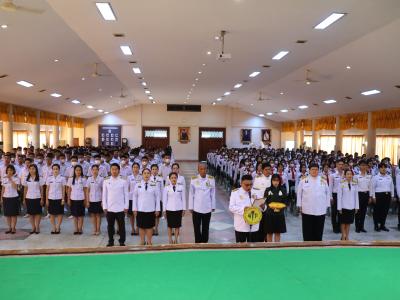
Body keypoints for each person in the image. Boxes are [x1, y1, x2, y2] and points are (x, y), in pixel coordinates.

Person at [297, 163, 330, 241]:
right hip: (307, 210)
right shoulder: (303, 180)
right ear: (309, 170)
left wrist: (327, 206)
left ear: (319, 170)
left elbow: (328, 193)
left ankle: (318, 247)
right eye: (313, 169)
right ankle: (307, 247)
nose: (314, 171)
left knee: (318, 231)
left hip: (320, 210)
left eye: (316, 169)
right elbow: (299, 194)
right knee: (307, 231)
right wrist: (299, 206)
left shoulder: (323, 180)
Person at [102, 163, 129, 247]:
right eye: (112, 169)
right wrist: (105, 206)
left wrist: (126, 206)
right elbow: (104, 195)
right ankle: (110, 241)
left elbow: (126, 194)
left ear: (119, 170)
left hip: (120, 207)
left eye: (116, 169)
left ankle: (122, 241)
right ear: (110, 170)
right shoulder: (106, 180)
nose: (114, 171)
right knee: (110, 226)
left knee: (121, 226)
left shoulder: (123, 180)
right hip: (110, 207)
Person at [188, 162, 216, 243]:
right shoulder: (194, 179)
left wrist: (213, 206)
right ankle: (197, 243)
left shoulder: (211, 179)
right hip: (196, 208)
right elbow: (191, 193)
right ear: (198, 170)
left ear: (206, 169)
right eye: (201, 169)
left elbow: (213, 193)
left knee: (205, 227)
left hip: (207, 207)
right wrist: (191, 207)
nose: (203, 171)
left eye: (204, 169)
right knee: (196, 227)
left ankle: (205, 243)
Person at [133, 168, 161, 245]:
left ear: (150, 174)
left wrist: (157, 209)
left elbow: (157, 197)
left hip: (151, 209)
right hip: (140, 209)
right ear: (142, 175)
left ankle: (149, 241)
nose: (146, 175)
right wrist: (134, 209)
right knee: (141, 226)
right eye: (144, 173)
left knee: (150, 227)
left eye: (148, 173)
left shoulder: (154, 184)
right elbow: (134, 197)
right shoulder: (138, 184)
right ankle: (142, 241)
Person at [229, 174, 259, 243]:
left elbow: (262, 207)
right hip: (241, 225)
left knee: (253, 248)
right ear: (241, 183)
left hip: (254, 225)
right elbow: (231, 207)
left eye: (251, 184)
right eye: (246, 185)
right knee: (240, 248)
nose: (249, 187)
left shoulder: (256, 192)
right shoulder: (235, 193)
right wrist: (244, 209)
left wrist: (263, 207)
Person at [263, 174, 288, 242]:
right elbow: (265, 201)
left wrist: (281, 208)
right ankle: (269, 247)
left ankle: (277, 247)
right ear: (271, 181)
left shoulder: (283, 190)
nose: (275, 182)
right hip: (269, 214)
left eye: (277, 180)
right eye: (274, 180)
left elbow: (285, 202)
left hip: (279, 214)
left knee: (277, 232)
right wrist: (270, 207)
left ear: (280, 181)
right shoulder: (268, 190)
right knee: (269, 232)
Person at [163, 172, 186, 244]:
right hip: (169, 209)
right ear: (169, 179)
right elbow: (164, 200)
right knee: (169, 226)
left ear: (177, 179)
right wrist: (164, 210)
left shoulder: (181, 187)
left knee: (177, 225)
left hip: (178, 209)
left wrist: (184, 209)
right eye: (172, 178)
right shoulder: (166, 188)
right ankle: (170, 239)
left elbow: (183, 199)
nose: (173, 179)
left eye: (175, 178)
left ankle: (176, 239)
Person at [371, 163, 394, 232]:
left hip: (387, 196)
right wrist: (373, 197)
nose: (383, 169)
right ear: (379, 168)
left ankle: (382, 225)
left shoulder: (389, 177)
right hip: (378, 196)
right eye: (382, 167)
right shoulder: (375, 177)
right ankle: (376, 226)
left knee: (385, 211)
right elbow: (372, 188)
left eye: (385, 167)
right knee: (377, 212)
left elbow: (392, 187)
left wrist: (392, 195)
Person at [337, 169, 359, 240]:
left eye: (350, 174)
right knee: (343, 222)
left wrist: (356, 207)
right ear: (345, 175)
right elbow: (339, 196)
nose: (349, 175)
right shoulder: (341, 183)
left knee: (349, 222)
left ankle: (347, 235)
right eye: (348, 174)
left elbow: (356, 196)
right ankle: (343, 235)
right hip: (343, 206)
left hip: (351, 206)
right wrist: (339, 208)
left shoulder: (355, 183)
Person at [22, 164, 44, 234]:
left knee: (38, 213)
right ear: (29, 170)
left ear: (36, 170)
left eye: (33, 169)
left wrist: (42, 198)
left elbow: (41, 189)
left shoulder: (39, 178)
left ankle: (37, 227)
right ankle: (33, 227)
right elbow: (25, 189)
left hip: (37, 198)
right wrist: (24, 199)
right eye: (30, 169)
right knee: (31, 214)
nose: (32, 170)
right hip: (29, 198)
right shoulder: (26, 178)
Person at [46, 164, 66, 234]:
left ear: (59, 170)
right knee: (52, 214)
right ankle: (53, 227)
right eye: (54, 169)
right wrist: (46, 199)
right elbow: (47, 189)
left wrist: (63, 199)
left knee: (60, 213)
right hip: (51, 198)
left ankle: (58, 227)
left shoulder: (62, 178)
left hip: (59, 198)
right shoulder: (49, 178)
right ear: (52, 170)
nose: (55, 170)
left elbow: (63, 189)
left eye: (57, 169)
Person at [67, 165, 87, 234]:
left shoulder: (83, 179)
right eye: (76, 170)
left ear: (81, 171)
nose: (78, 171)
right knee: (75, 215)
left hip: (81, 199)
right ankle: (76, 229)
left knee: (81, 215)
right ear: (74, 171)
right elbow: (69, 190)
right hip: (73, 199)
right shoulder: (71, 179)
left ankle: (80, 228)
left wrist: (86, 200)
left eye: (79, 170)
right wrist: (68, 199)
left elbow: (85, 190)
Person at [1, 165, 21, 234]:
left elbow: (16, 188)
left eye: (11, 170)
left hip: (14, 197)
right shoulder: (4, 178)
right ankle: (9, 228)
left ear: (13, 171)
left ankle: (13, 228)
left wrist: (10, 179)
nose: (9, 171)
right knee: (7, 214)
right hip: (6, 198)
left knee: (13, 214)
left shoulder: (16, 178)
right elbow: (3, 189)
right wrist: (1, 198)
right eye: (8, 170)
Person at [354, 160, 372, 233]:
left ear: (367, 166)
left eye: (365, 165)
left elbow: (370, 187)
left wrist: (370, 196)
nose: (363, 167)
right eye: (362, 165)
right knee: (358, 212)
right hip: (359, 195)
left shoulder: (369, 176)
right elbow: (354, 187)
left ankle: (362, 227)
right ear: (359, 166)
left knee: (364, 212)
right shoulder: (356, 176)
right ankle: (357, 227)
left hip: (366, 194)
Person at [86, 165, 104, 235]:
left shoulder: (101, 179)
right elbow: (87, 190)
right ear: (91, 171)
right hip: (91, 199)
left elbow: (103, 190)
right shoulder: (89, 179)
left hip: (99, 199)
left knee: (98, 215)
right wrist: (87, 201)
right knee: (93, 215)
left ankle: (98, 229)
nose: (95, 171)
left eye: (96, 169)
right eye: (93, 169)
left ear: (98, 170)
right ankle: (94, 229)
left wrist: (103, 201)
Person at [329, 159, 344, 233]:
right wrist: (330, 197)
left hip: (343, 195)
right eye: (339, 164)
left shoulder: (345, 174)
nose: (341, 166)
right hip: (335, 195)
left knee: (341, 212)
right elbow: (330, 187)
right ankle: (334, 227)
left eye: (342, 164)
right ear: (337, 165)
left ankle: (340, 226)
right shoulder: (333, 175)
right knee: (334, 212)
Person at [127, 162, 141, 235]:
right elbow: (127, 188)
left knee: (138, 214)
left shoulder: (141, 177)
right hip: (131, 198)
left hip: (139, 198)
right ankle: (132, 229)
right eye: (134, 167)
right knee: (131, 215)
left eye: (137, 167)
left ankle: (138, 228)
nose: (135, 169)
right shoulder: (129, 177)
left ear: (139, 168)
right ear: (132, 168)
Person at [150, 164, 164, 235]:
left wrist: (162, 200)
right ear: (151, 170)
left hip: (159, 199)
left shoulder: (160, 179)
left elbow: (162, 190)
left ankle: (156, 228)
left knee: (157, 216)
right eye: (153, 169)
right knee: (152, 215)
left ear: (158, 170)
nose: (154, 171)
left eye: (156, 169)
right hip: (151, 200)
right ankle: (152, 228)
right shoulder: (149, 178)